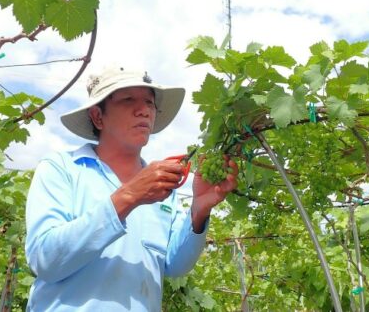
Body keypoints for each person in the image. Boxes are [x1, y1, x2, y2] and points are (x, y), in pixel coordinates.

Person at [24, 67, 238, 311]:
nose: (144, 110)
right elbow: (45, 260)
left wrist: (199, 210)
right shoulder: (61, 168)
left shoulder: (161, 185)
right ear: (97, 116)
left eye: (149, 102)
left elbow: (173, 265)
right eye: (128, 100)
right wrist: (129, 196)